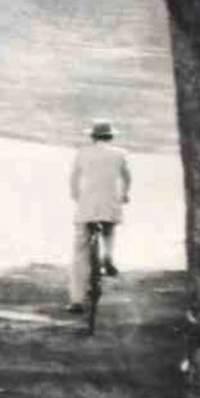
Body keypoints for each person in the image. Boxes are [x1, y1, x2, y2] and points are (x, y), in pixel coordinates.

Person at [68, 119, 132, 313]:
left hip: (87, 207)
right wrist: (124, 194)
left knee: (80, 254)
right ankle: (108, 256)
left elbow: (73, 179)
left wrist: (77, 196)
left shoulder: (82, 153)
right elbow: (127, 178)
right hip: (110, 204)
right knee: (109, 230)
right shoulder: (120, 154)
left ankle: (76, 300)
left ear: (92, 137)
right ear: (110, 136)